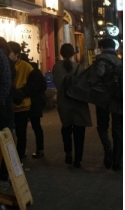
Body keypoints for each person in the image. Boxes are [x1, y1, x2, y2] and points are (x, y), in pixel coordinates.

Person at [52, 43, 91, 167]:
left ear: (61, 53)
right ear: (73, 53)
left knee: (66, 128)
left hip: (63, 102)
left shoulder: (56, 67)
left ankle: (68, 152)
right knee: (79, 131)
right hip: (78, 103)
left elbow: (56, 83)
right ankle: (78, 159)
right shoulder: (79, 67)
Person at [8, 42, 44, 159]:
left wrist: (21, 93)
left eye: (10, 53)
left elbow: (34, 85)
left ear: (17, 54)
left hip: (22, 105)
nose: (7, 55)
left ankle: (20, 155)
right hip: (8, 105)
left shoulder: (26, 67)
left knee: (21, 132)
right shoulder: (5, 65)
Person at [92, 38, 123, 171]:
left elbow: (95, 78)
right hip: (119, 99)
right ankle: (117, 162)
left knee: (102, 126)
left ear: (102, 47)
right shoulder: (120, 61)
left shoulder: (101, 60)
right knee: (118, 130)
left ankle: (107, 147)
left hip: (103, 100)